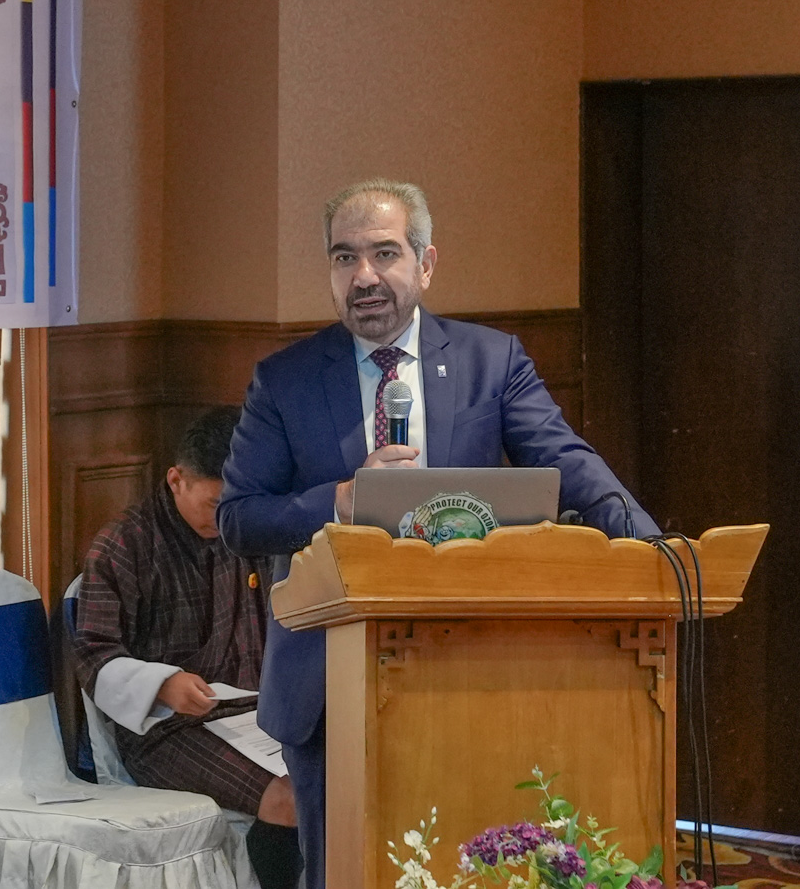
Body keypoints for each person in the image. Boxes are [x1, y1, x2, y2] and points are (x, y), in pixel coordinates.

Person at [216, 178, 659, 889]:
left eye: (384, 254)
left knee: (465, 859)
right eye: (343, 258)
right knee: (341, 872)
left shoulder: (493, 360)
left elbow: (566, 462)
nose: (363, 277)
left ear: (425, 265)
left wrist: (649, 547)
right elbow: (238, 517)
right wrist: (341, 497)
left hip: (473, 667)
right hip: (329, 681)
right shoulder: (286, 381)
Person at [73, 406, 305, 889]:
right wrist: (162, 684)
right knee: (290, 800)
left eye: (235, 503)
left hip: (256, 712)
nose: (224, 520)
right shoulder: (123, 546)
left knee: (343, 775)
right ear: (176, 479)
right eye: (213, 504)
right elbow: (93, 655)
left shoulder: (247, 525)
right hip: (167, 728)